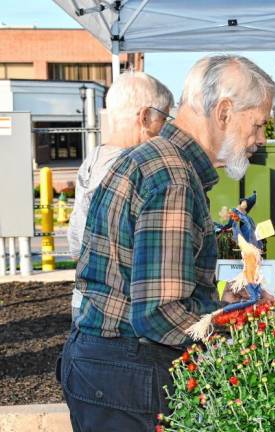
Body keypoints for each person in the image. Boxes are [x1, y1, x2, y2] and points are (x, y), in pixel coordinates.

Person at [58, 55, 275, 431]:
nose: (260, 139)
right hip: (127, 374)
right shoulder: (172, 176)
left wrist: (214, 306)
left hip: (107, 368)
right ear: (224, 112)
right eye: (257, 124)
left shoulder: (157, 161)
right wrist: (239, 329)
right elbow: (158, 313)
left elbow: (139, 285)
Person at [67, 72, 174, 319]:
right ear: (145, 117)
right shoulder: (135, 169)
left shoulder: (92, 161)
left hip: (85, 305)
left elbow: (75, 243)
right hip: (122, 316)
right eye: (165, 118)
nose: (166, 128)